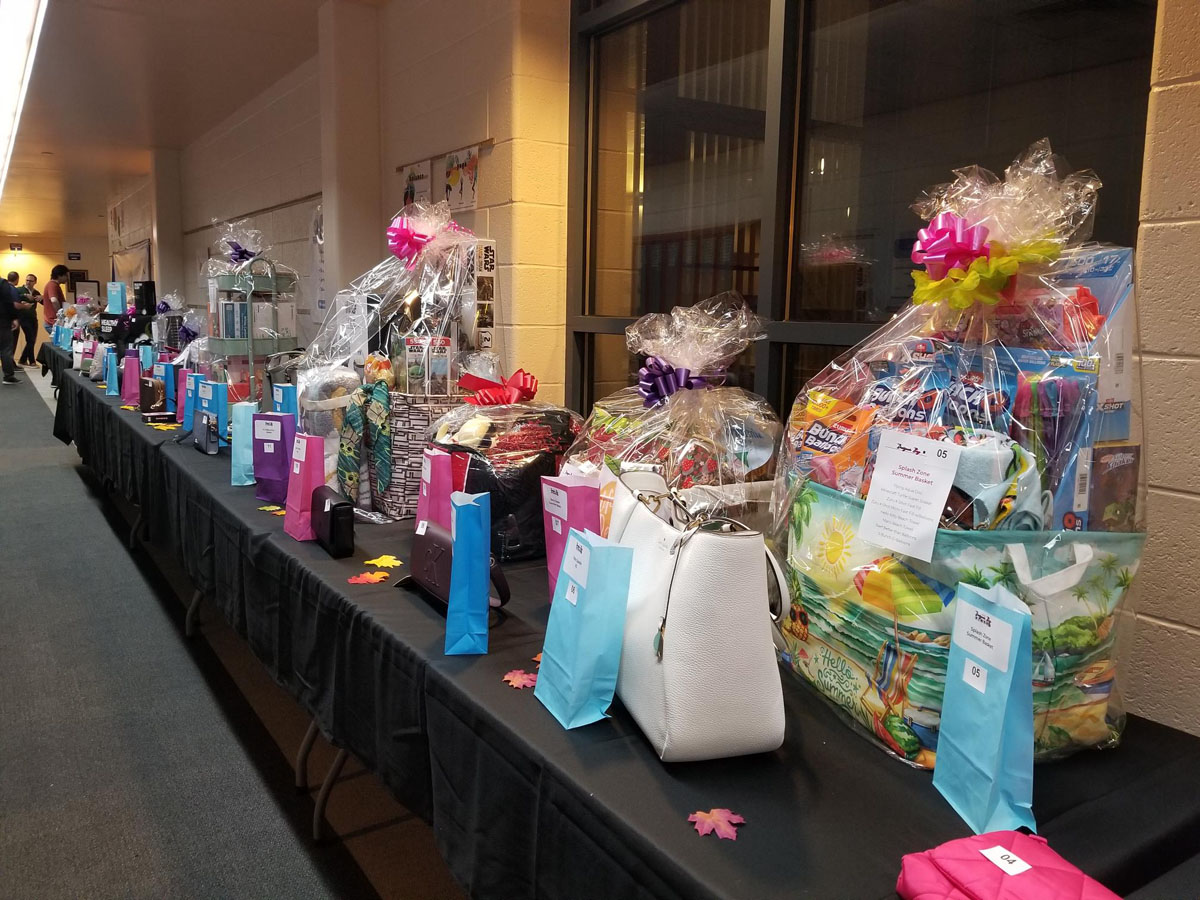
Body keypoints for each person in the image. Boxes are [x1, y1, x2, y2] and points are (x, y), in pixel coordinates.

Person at [0, 274, 33, 384]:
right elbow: (8, 302)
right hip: (2, 321)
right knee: (6, 349)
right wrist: (14, 317)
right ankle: (8, 376)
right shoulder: (2, 283)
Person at [14, 272, 39, 366]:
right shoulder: (19, 290)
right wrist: (24, 295)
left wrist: (42, 297)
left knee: (32, 340)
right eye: (27, 280)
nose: (28, 282)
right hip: (23, 317)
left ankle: (23, 359)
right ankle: (32, 361)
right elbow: (14, 298)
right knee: (30, 339)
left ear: (35, 282)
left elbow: (43, 302)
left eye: (31, 281)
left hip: (33, 318)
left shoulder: (36, 292)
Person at [42, 264, 68, 335]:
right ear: (59, 275)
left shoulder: (54, 285)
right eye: (66, 275)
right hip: (52, 322)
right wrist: (61, 314)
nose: (67, 278)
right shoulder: (52, 285)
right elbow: (54, 300)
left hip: (53, 322)